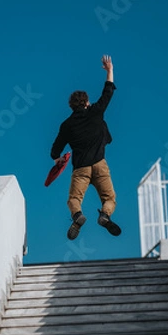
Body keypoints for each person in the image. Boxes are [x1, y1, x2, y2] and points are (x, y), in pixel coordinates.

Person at [50, 55, 121, 240]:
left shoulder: (67, 125)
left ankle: (77, 216)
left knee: (74, 199)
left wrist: (58, 160)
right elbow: (108, 93)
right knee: (109, 199)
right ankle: (105, 215)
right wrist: (110, 70)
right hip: (100, 164)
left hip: (80, 168)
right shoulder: (96, 111)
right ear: (87, 102)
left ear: (71, 106)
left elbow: (55, 150)